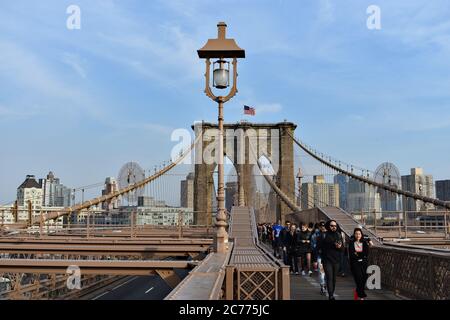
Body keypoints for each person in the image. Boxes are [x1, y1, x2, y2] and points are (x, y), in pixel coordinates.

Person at [319, 220, 344, 300]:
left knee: (334, 278)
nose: (333, 227)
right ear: (328, 226)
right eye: (331, 225)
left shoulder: (338, 235)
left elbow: (343, 249)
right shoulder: (324, 235)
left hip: (336, 260)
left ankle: (331, 292)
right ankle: (330, 295)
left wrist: (339, 247)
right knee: (329, 277)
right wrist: (317, 260)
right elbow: (319, 247)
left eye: (335, 226)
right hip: (327, 259)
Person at [349, 228, 370, 300]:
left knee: (364, 278)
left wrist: (357, 253)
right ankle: (362, 296)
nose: (358, 235)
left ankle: (358, 291)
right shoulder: (351, 243)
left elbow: (366, 253)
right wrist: (359, 254)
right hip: (355, 263)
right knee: (358, 278)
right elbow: (352, 254)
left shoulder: (364, 243)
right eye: (356, 234)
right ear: (354, 235)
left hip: (363, 263)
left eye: (359, 234)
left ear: (361, 235)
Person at [311, 221, 327, 295]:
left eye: (324, 226)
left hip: (328, 257)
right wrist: (314, 259)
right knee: (321, 272)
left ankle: (326, 285)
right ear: (319, 227)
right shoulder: (315, 235)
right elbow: (313, 247)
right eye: (321, 226)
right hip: (320, 256)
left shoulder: (329, 234)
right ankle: (322, 286)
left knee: (328, 272)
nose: (323, 227)